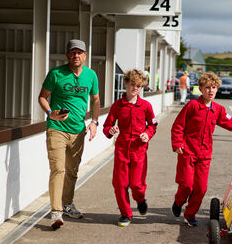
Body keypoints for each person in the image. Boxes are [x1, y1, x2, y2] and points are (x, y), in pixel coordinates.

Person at [171, 72, 232, 226]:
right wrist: (178, 143)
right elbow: (178, 125)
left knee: (201, 188)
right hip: (187, 152)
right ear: (201, 89)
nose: (210, 91)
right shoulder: (192, 106)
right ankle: (178, 201)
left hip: (204, 154)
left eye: (213, 88)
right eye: (207, 88)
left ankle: (190, 214)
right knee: (186, 184)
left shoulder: (217, 109)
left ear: (217, 89)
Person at [37, 39, 100, 230]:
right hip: (56, 128)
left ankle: (67, 203)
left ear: (85, 55)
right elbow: (42, 96)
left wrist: (94, 122)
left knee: (72, 171)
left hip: (78, 130)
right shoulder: (56, 74)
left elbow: (96, 100)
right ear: (67, 55)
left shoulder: (91, 75)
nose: (76, 56)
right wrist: (50, 113)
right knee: (58, 169)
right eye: (72, 52)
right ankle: (56, 211)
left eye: (80, 52)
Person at [103, 69, 158, 227]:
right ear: (125, 83)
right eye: (133, 84)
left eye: (139, 86)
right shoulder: (117, 106)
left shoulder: (146, 106)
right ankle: (125, 214)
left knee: (136, 185)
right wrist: (110, 130)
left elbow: (153, 125)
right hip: (121, 150)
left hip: (139, 151)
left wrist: (147, 134)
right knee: (119, 184)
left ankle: (140, 199)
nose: (135, 88)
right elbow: (107, 125)